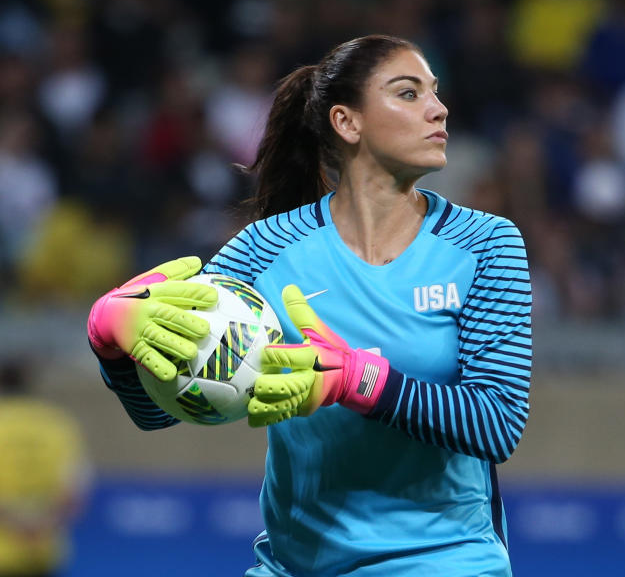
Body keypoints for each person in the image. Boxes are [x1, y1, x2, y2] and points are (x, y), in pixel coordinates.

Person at [86, 35, 533, 576]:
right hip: (293, 566)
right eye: (409, 94)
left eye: (435, 93)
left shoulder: (486, 243)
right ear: (347, 123)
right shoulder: (263, 249)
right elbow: (163, 411)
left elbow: (497, 422)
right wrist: (113, 346)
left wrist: (359, 381)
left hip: (443, 561)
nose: (439, 108)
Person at [0, 360, 90, 577]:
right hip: (44, 551)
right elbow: (75, 492)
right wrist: (39, 526)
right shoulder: (58, 425)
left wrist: (17, 524)